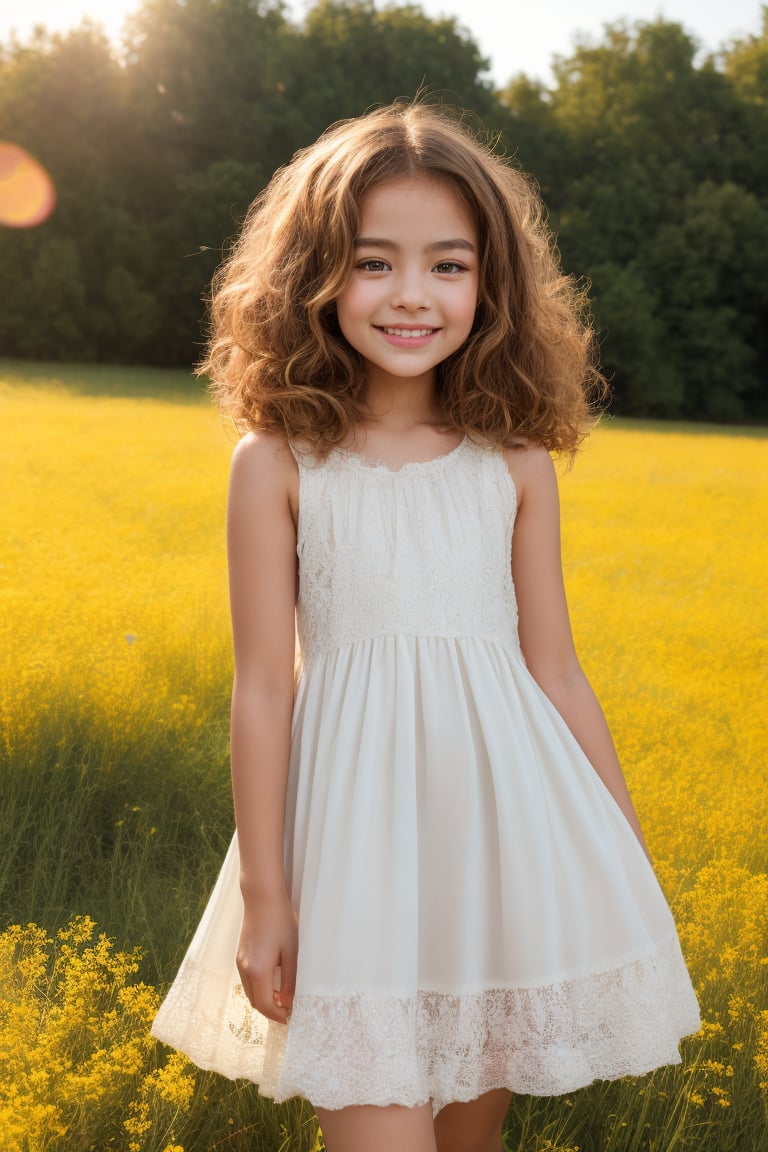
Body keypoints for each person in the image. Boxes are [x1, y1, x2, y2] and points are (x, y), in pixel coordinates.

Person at [151, 102, 700, 1152]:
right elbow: (266, 686)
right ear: (314, 276)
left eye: (448, 266)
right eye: (374, 263)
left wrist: (623, 860)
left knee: (470, 1140)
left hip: (499, 842)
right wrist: (269, 896)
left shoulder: (515, 462)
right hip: (351, 855)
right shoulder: (277, 462)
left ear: (490, 286)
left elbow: (556, 672)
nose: (413, 295)